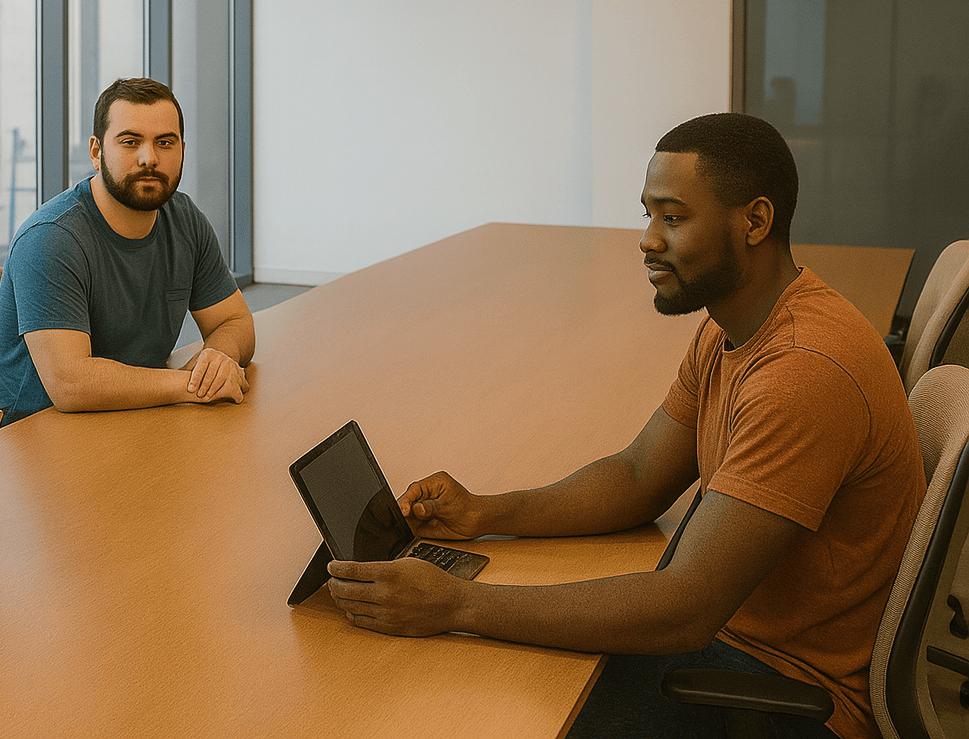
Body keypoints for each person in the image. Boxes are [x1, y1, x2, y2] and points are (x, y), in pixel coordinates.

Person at [324, 113, 925, 739]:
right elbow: (638, 476)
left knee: (475, 702)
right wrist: (483, 514)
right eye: (648, 214)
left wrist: (458, 604)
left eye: (673, 217)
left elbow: (685, 608)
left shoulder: (803, 371)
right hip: (734, 645)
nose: (646, 239)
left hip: (781, 693)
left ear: (755, 221)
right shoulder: (733, 327)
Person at [0, 77, 254, 426]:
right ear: (96, 152)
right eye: (130, 142)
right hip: (27, 437)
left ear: (183, 149)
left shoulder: (184, 220)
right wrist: (193, 384)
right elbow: (71, 384)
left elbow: (236, 322)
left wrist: (218, 359)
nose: (148, 158)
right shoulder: (52, 238)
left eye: (165, 143)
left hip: (131, 415)